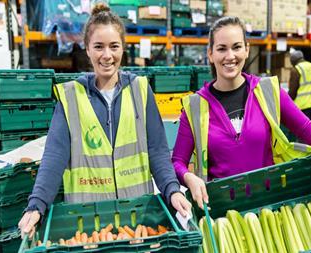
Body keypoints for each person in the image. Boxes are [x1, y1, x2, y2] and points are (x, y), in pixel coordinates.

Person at [19, 3, 191, 238]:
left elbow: (158, 151)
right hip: (87, 226)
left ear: (123, 48)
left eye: (114, 46)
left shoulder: (141, 90)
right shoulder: (71, 97)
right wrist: (36, 205)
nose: (107, 55)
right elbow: (54, 157)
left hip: (136, 223)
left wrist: (173, 190)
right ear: (87, 49)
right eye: (98, 47)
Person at [172, 16, 311, 210]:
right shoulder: (195, 107)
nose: (230, 56)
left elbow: (307, 128)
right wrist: (188, 177)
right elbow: (178, 162)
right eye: (222, 48)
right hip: (222, 214)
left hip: (271, 207)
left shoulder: (268, 91)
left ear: (247, 50)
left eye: (237, 47)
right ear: (210, 54)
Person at [288, 50, 311, 121]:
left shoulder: (296, 69)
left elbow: (293, 90)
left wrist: (288, 101)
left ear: (293, 61)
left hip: (303, 104)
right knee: (310, 127)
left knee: (301, 129)